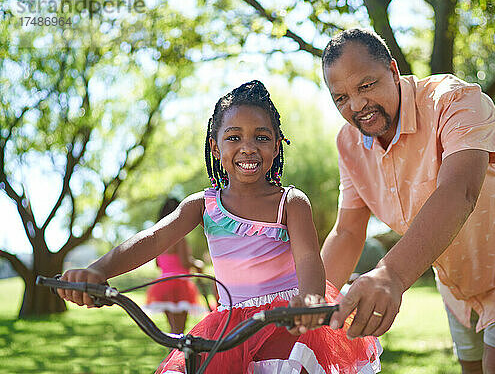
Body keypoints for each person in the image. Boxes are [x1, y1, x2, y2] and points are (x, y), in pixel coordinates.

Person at [58, 80, 382, 374]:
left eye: (262, 137)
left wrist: (311, 300)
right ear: (215, 147)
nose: (248, 147)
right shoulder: (202, 204)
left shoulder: (291, 202)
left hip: (285, 324)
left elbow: (310, 260)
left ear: (277, 146)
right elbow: (153, 239)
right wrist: (98, 270)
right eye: (234, 137)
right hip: (226, 326)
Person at [320, 28, 495, 374]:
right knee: (472, 367)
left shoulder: (455, 100)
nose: (357, 105)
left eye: (366, 86)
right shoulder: (348, 144)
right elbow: (347, 231)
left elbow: (460, 191)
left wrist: (390, 274)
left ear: (393, 71)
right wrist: (312, 297)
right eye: (341, 98)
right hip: (458, 275)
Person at [145, 197, 207, 334]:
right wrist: (197, 264)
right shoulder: (179, 237)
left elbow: (158, 264)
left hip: (164, 283)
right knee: (179, 331)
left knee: (172, 330)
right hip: (179, 284)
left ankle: (172, 354)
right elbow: (185, 261)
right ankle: (177, 355)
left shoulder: (158, 237)